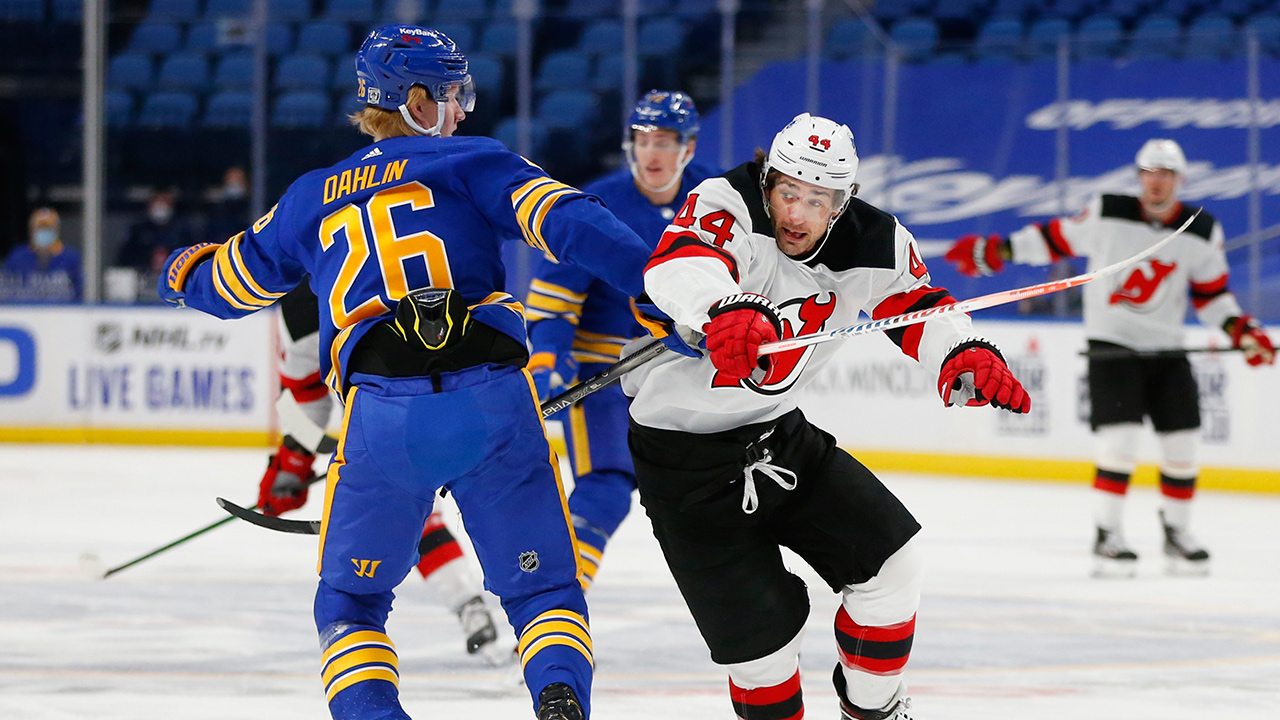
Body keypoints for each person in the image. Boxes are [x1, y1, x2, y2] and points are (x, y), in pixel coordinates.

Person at [158, 25, 657, 720]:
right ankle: (558, 696)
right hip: (494, 402)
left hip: (380, 420)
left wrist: (180, 273)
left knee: (352, 603)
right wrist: (659, 286)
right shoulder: (475, 162)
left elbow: (227, 288)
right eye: (452, 95)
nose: (461, 111)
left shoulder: (311, 195)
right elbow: (569, 222)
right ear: (416, 99)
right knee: (544, 594)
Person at [623, 113, 1032, 720]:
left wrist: (963, 352)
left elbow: (918, 307)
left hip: (777, 436)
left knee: (893, 569)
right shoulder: (725, 202)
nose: (798, 214)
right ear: (768, 182)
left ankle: (873, 710)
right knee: (761, 660)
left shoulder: (874, 241)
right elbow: (677, 264)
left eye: (819, 200)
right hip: (681, 463)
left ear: (844, 202)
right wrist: (722, 306)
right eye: (788, 192)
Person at [944, 138, 1276, 578]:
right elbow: (1055, 239)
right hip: (1112, 344)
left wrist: (1242, 330)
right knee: (1119, 444)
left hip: (1167, 348)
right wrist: (997, 250)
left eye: (1166, 175)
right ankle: (1108, 533)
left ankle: (1177, 533)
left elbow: (1213, 297)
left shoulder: (1201, 229)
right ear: (1139, 177)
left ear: (1180, 181)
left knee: (1183, 447)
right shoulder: (1106, 210)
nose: (1156, 182)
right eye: (1149, 173)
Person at [259, 284, 511, 666]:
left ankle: (479, 603)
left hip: (386, 414)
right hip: (463, 393)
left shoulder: (300, 299)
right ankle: (507, 607)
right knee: (472, 506)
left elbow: (304, 391)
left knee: (406, 511)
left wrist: (292, 463)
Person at [524, 90, 715, 589]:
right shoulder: (596, 205)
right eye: (643, 139)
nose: (652, 152)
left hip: (685, 376)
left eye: (665, 140)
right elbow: (554, 302)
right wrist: (546, 362)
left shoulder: (718, 204)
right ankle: (557, 599)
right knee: (606, 487)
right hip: (603, 374)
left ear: (689, 147)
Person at [1, 207, 81, 302]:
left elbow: (80, 293)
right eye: (40, 228)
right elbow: (4, 291)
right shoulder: (17, 257)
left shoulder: (70, 258)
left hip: (61, 313)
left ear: (57, 231)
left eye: (48, 228)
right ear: (31, 231)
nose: (44, 232)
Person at [117, 189, 194, 275]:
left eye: (165, 202)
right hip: (141, 276)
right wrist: (148, 258)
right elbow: (125, 258)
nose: (161, 206)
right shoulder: (138, 230)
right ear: (149, 205)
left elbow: (193, 256)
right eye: (158, 202)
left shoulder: (182, 231)